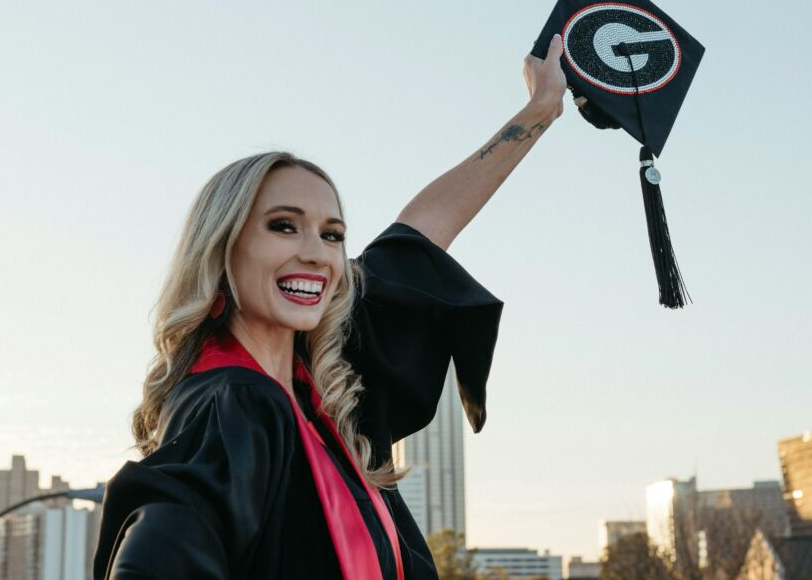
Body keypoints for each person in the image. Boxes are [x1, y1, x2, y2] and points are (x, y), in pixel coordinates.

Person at [92, 34, 569, 580]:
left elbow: (418, 235)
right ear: (223, 250)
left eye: (333, 234)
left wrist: (541, 110)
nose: (316, 254)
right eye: (283, 226)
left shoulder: (324, 392)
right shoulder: (233, 407)